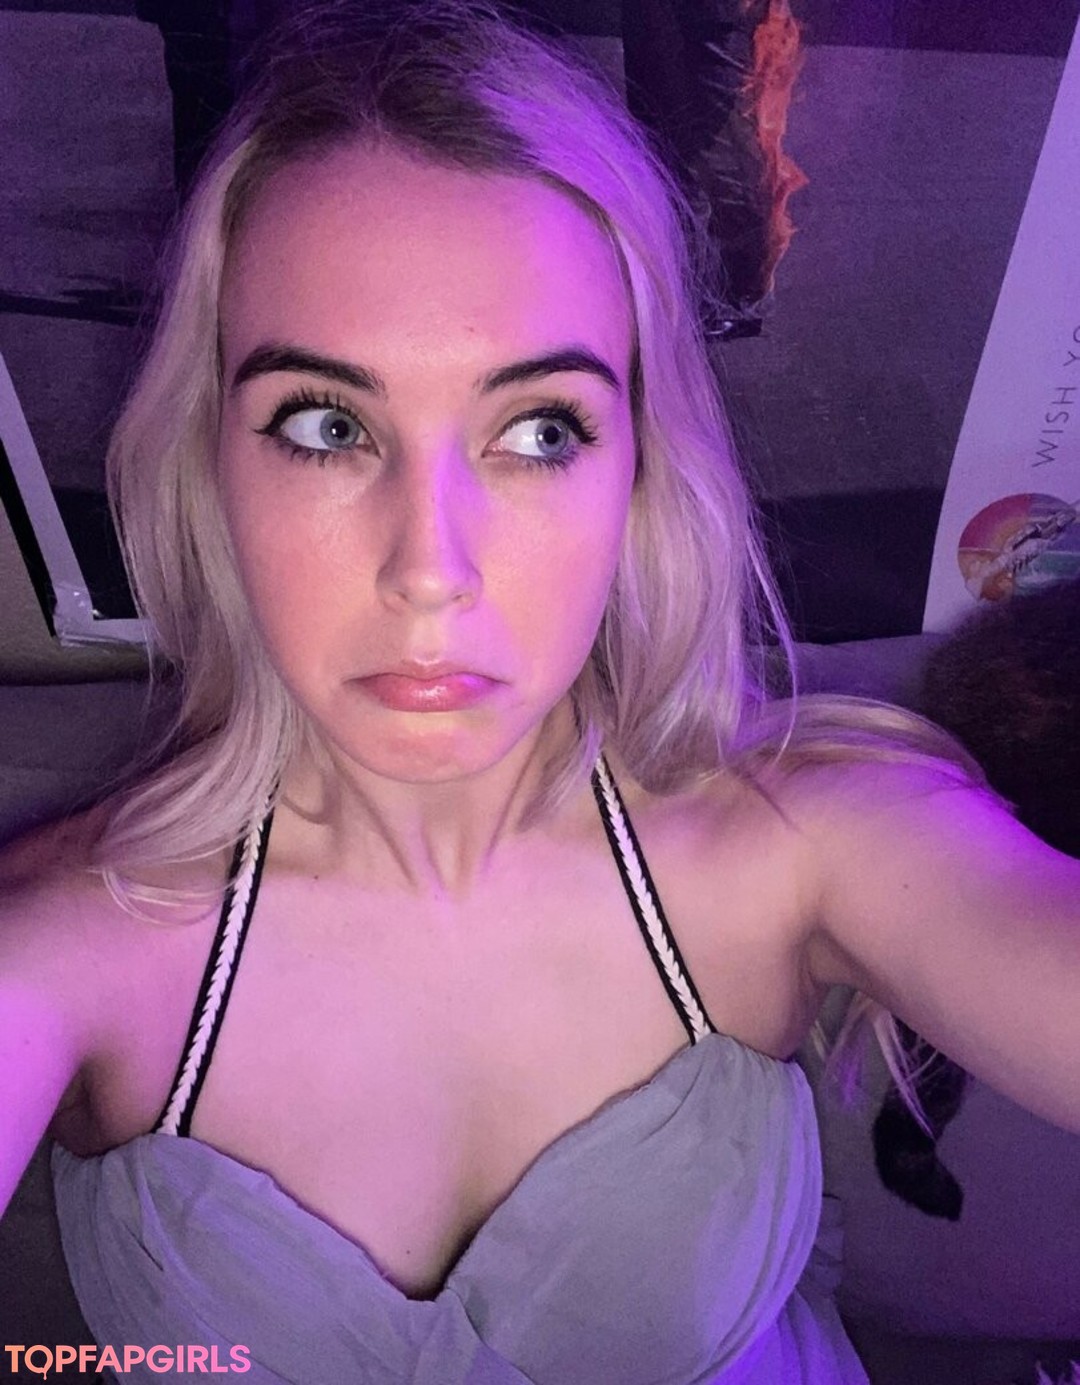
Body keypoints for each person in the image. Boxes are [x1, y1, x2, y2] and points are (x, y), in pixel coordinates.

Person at [1, 3, 1077, 1381]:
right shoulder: (68, 947)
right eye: (327, 426)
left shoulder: (800, 840)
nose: (429, 570)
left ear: (640, 468)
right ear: (211, 457)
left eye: (537, 430)